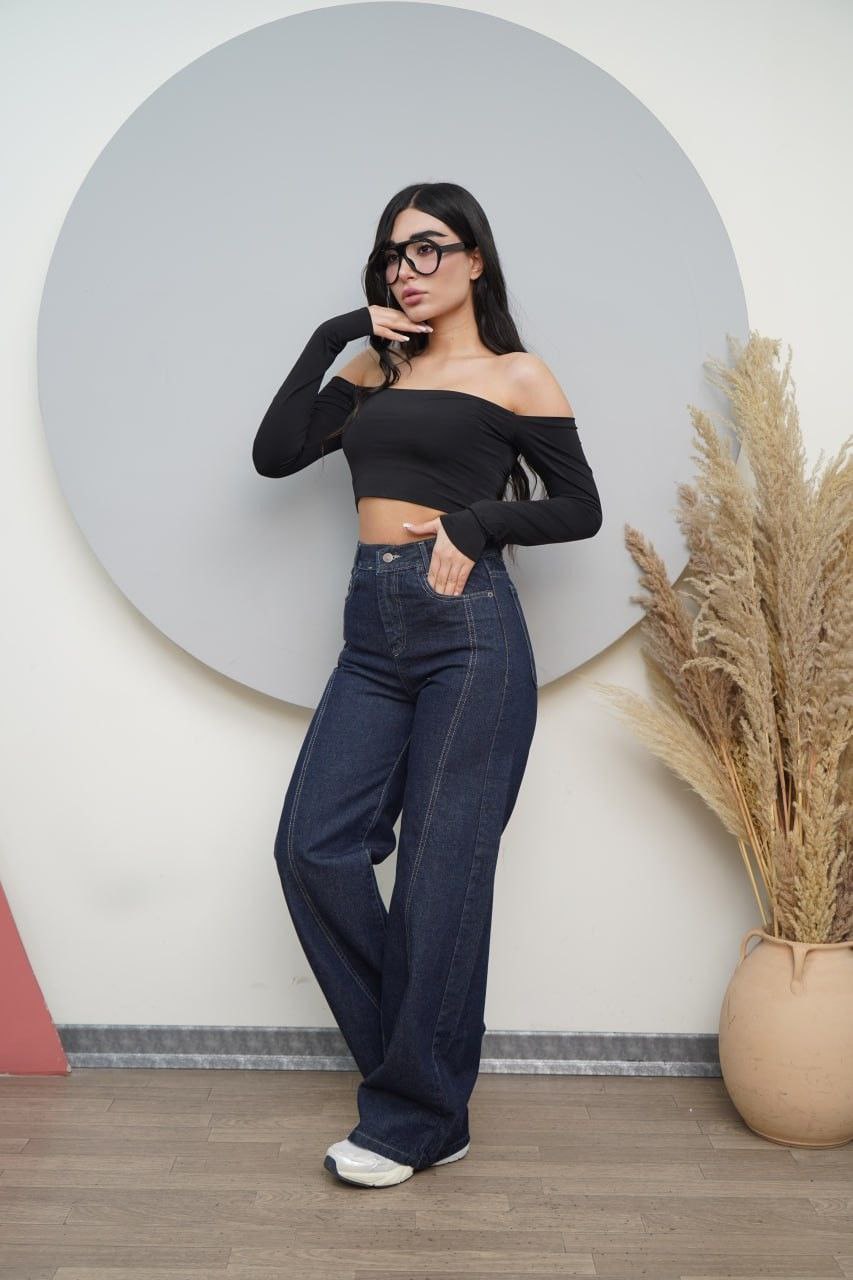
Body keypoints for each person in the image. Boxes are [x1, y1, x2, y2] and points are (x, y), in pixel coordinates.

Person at [252, 182, 603, 1188]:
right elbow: (276, 454)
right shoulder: (374, 369)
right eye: (392, 254)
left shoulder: (516, 375)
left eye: (428, 247)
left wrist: (476, 521)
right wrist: (336, 334)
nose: (407, 268)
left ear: (474, 259)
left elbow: (578, 507)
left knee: (439, 879)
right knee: (311, 847)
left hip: (469, 631)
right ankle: (427, 1087)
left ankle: (414, 1117)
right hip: (371, 629)